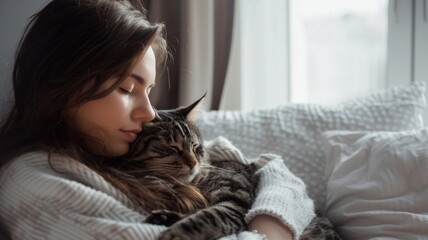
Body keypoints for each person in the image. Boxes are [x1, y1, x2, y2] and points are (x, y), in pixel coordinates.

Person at [0, 0, 315, 239]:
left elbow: (272, 169)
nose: (149, 113)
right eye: (126, 88)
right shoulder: (36, 183)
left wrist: (269, 221)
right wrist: (271, 230)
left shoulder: (114, 148)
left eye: (149, 90)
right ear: (62, 83)